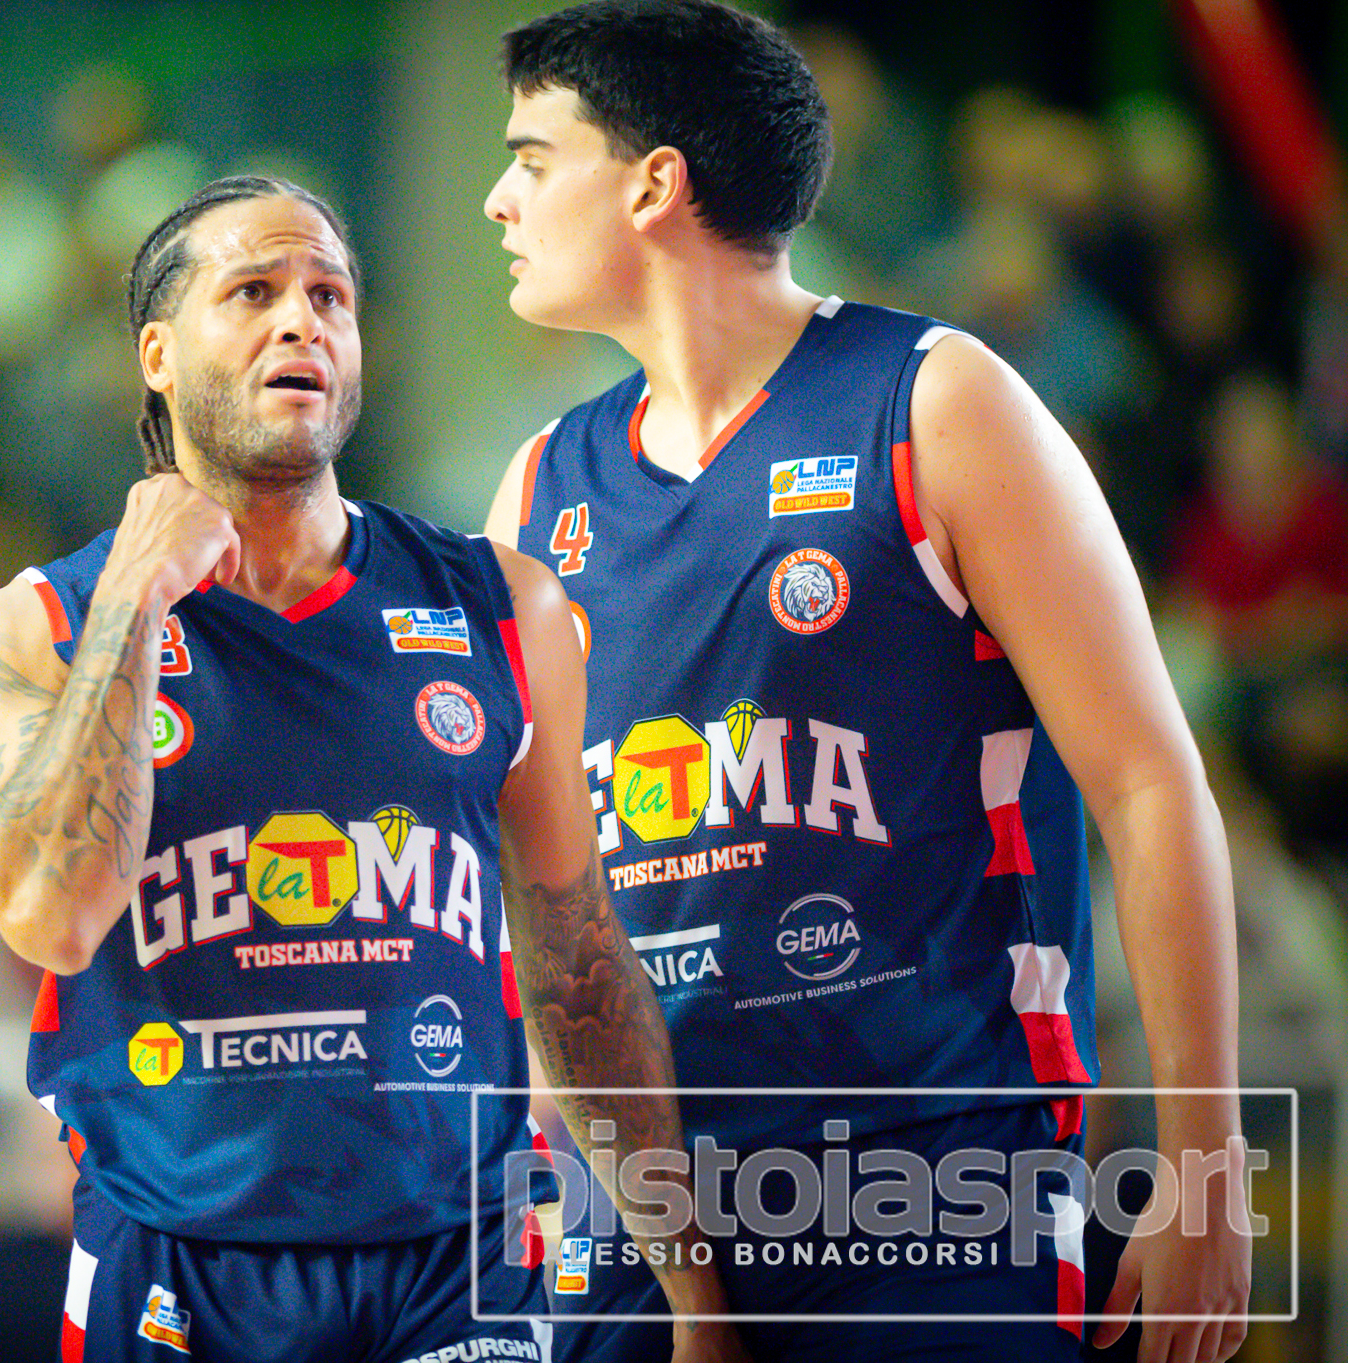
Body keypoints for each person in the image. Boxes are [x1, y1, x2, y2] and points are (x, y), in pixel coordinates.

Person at [477, 5, 1251, 1362]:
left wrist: (1204, 1163)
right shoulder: (537, 488)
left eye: (533, 160)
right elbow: (537, 903)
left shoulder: (938, 401)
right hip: (641, 1222)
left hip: (931, 1184)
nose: (499, 199)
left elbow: (1146, 779)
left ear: (653, 183)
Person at [0, 175, 743, 1363]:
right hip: (180, 1263)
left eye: (329, 295)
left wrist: (692, 1287)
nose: (300, 321)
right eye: (253, 292)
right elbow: (48, 917)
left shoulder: (500, 605)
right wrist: (133, 596)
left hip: (459, 1257)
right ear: (156, 354)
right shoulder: (39, 626)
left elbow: (577, 960)